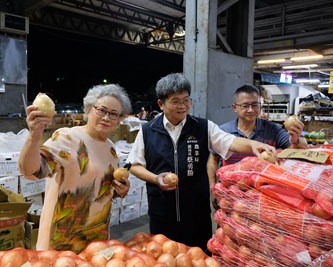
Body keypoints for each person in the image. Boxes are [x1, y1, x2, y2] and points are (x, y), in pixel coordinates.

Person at [126, 73, 276, 252]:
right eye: (175, 101)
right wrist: (155, 178)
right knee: (164, 259)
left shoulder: (203, 127)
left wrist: (252, 144)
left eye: (186, 100)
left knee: (199, 258)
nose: (182, 106)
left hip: (196, 214)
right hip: (162, 213)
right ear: (161, 104)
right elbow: (134, 165)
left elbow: (230, 141)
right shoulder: (147, 131)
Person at [18, 84, 132, 253]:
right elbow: (31, 171)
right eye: (102, 110)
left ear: (119, 119)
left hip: (96, 241)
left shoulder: (111, 149)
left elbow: (100, 189)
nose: (107, 118)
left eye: (114, 114)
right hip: (61, 241)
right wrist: (34, 137)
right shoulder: (67, 138)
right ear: (89, 109)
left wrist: (120, 189)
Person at [207, 84, 307, 190]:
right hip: (231, 191)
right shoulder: (224, 131)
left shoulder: (273, 129)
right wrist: (212, 187)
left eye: (255, 105)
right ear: (234, 107)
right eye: (245, 106)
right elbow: (213, 160)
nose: (251, 110)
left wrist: (296, 140)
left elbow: (296, 148)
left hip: (263, 192)